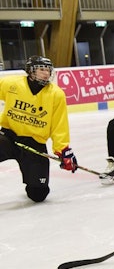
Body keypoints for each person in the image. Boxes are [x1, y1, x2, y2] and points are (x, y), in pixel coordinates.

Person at [0, 55, 77, 202]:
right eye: (42, 69)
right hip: (9, 137)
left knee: (38, 194)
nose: (46, 73)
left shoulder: (56, 94)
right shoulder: (11, 84)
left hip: (34, 144)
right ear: (31, 71)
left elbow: (59, 124)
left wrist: (63, 150)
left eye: (48, 70)